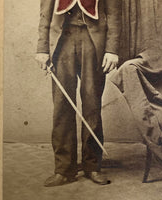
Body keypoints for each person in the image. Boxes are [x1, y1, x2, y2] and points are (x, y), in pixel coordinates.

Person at [35, 0, 121, 187]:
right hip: (61, 41)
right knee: (61, 106)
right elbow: (45, 12)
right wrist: (42, 49)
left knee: (92, 105)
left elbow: (114, 14)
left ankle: (92, 166)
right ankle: (64, 169)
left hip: (93, 40)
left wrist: (112, 49)